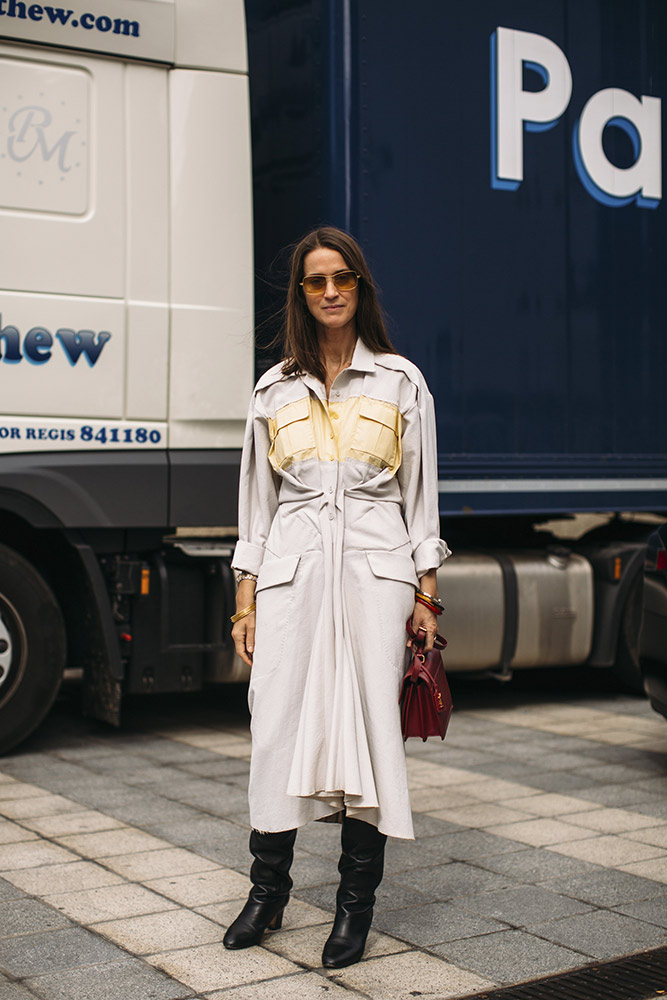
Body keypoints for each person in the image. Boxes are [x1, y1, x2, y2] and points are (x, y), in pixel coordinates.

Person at [225, 226, 450, 968]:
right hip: (291, 579)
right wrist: (246, 600)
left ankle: (354, 910)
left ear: (360, 288)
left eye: (342, 279)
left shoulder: (399, 381)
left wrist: (425, 595)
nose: (329, 291)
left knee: (369, 736)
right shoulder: (272, 390)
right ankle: (268, 894)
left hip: (376, 579)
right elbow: (254, 507)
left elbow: (421, 501)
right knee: (276, 729)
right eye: (315, 280)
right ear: (300, 293)